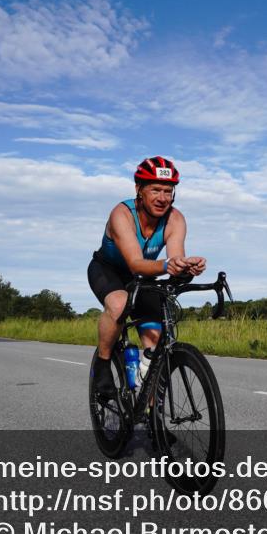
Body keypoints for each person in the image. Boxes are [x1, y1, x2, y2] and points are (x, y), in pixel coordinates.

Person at [87, 156, 206, 395]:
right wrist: (169, 265)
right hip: (108, 270)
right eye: (155, 190)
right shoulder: (122, 214)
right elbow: (135, 264)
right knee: (119, 305)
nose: (163, 198)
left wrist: (185, 268)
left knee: (155, 348)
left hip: (144, 276)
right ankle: (102, 363)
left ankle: (151, 413)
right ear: (139, 190)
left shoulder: (175, 219)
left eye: (168, 191)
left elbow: (174, 259)